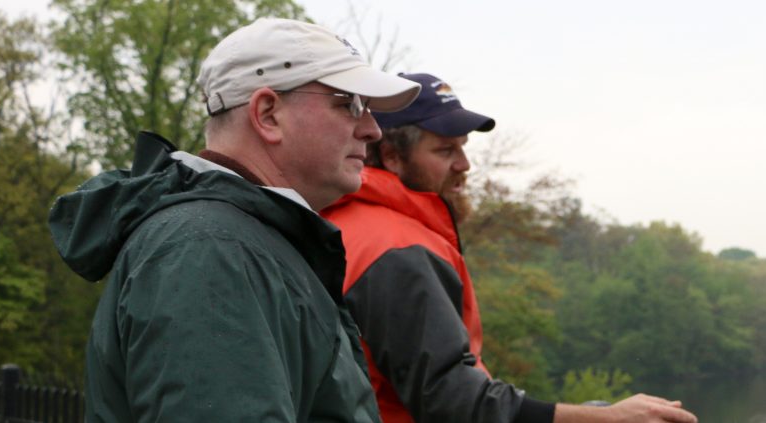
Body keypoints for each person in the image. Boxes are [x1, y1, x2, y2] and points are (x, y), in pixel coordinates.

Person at [47, 18, 421, 422]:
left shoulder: (242, 241)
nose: (373, 130)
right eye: (348, 102)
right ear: (268, 114)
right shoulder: (209, 249)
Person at [320, 73, 698, 423]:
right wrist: (609, 418)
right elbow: (451, 401)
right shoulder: (395, 247)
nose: (464, 165)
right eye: (445, 150)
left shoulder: (353, 223)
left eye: (463, 148)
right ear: (392, 157)